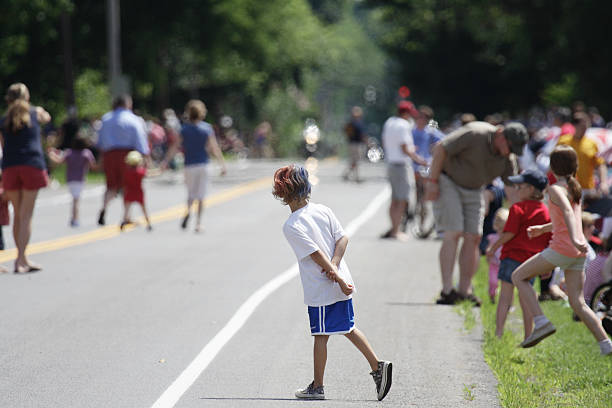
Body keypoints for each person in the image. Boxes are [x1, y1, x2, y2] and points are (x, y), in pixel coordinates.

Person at [273, 164, 392, 401]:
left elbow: (315, 253)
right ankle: (378, 366)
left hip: (322, 287)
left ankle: (318, 387)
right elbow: (342, 238)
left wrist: (334, 275)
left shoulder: (292, 225)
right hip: (339, 282)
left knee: (321, 334)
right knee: (347, 328)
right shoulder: (322, 210)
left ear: (284, 193)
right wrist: (337, 268)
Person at [512, 146, 612, 354]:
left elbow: (567, 212)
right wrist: (544, 228)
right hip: (576, 253)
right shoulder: (573, 187)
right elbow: (569, 218)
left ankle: (541, 321)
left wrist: (575, 238)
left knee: (518, 276)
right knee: (577, 303)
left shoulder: (555, 189)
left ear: (552, 166)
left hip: (563, 248)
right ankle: (606, 344)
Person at [425, 121, 528, 306]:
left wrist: (522, 218)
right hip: (449, 180)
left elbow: (512, 191)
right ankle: (447, 290)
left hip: (475, 188)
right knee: (454, 232)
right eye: (510, 146)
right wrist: (432, 181)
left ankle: (465, 290)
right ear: (500, 135)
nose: (510, 152)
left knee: (474, 236)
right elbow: (441, 149)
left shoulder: (508, 158)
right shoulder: (475, 134)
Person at [486, 170, 551, 338]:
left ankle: (499, 332)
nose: (516, 189)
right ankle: (528, 335)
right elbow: (547, 241)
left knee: (505, 297)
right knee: (526, 300)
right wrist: (548, 266)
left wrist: (493, 248)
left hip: (511, 257)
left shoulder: (517, 208)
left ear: (530, 189)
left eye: (519, 186)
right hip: (531, 262)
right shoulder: (545, 212)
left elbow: (509, 234)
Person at [0, 83, 50, 273]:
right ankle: (21, 260)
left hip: (10, 166)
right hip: (31, 163)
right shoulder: (35, 113)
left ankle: (21, 258)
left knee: (18, 214)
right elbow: (47, 117)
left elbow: (3, 147)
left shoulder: (4, 119)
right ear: (27, 97)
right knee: (26, 214)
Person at [163, 99, 226, 232]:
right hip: (203, 164)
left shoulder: (184, 129)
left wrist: (165, 162)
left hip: (189, 165)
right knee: (201, 195)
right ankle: (198, 223)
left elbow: (175, 147)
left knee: (191, 194)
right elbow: (214, 148)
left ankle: (188, 211)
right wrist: (222, 165)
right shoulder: (206, 128)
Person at [96, 95, 149, 226]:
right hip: (128, 155)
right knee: (127, 186)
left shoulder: (106, 118)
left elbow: (100, 141)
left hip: (109, 155)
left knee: (111, 186)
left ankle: (104, 207)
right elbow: (140, 139)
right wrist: (145, 156)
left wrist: (101, 157)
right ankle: (126, 215)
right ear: (127, 104)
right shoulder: (134, 119)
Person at [381, 100, 428, 240]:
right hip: (401, 165)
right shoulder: (403, 125)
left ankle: (393, 227)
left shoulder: (389, 122)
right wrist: (419, 159)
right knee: (402, 199)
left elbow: (385, 142)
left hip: (390, 163)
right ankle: (396, 230)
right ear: (406, 113)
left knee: (394, 198)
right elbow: (404, 147)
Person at [47, 136, 97, 227]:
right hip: (80, 179)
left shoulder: (69, 152)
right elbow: (93, 166)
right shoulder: (86, 153)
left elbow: (59, 161)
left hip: (70, 179)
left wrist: (51, 154)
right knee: (76, 200)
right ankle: (75, 219)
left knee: (74, 199)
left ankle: (74, 218)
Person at [557, 112, 607, 195]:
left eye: (586, 126)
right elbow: (555, 162)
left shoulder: (592, 143)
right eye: (582, 126)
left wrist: (603, 182)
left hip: (587, 189)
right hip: (567, 187)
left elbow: (600, 164)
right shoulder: (563, 141)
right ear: (575, 126)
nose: (584, 129)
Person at [120, 151, 152, 231]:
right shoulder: (139, 172)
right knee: (144, 209)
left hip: (129, 192)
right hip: (138, 192)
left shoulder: (126, 172)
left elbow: (123, 183)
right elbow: (147, 173)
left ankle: (124, 222)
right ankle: (148, 223)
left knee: (127, 209)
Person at [485, 208, 508, 304]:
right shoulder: (493, 238)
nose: (501, 232)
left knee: (506, 285)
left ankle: (508, 303)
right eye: (499, 229)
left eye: (504, 229)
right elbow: (489, 249)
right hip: (494, 264)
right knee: (493, 281)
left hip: (505, 264)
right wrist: (489, 253)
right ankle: (492, 295)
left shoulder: (508, 238)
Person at [342, 106, 367, 182]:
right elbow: (362, 135)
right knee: (357, 161)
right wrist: (366, 141)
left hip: (352, 144)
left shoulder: (351, 123)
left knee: (354, 161)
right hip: (357, 144)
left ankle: (347, 174)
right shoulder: (356, 123)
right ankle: (357, 177)